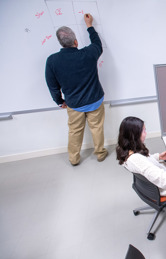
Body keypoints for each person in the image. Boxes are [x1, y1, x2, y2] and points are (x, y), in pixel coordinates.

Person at [45, 13, 107, 166]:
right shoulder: (89, 53)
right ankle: (100, 154)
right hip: (95, 100)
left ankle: (74, 159)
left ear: (61, 43)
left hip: (74, 104)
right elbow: (97, 43)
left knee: (75, 132)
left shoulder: (52, 61)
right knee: (97, 128)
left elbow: (52, 86)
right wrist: (89, 25)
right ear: (76, 41)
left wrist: (60, 102)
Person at [116, 117, 166, 197]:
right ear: (134, 135)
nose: (146, 133)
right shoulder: (135, 160)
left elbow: (144, 162)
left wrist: (158, 157)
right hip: (163, 185)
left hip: (156, 179)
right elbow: (163, 179)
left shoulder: (125, 149)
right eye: (144, 131)